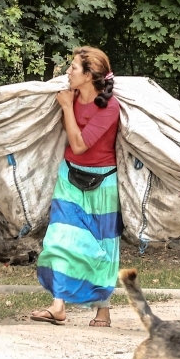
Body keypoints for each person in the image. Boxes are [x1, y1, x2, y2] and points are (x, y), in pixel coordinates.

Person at [31, 46, 121, 327]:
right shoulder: (67, 95)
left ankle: (102, 309)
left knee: (103, 246)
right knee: (58, 237)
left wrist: (68, 108)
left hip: (103, 182)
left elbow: (80, 144)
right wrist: (68, 104)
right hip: (69, 177)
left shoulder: (110, 106)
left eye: (73, 68)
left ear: (89, 75)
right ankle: (58, 305)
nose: (67, 72)